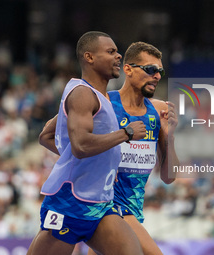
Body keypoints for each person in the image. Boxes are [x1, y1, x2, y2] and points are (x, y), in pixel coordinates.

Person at [40, 41, 179, 255]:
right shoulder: (102, 102)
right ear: (128, 69)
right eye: (151, 70)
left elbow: (170, 177)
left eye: (160, 71)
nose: (157, 76)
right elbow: (47, 135)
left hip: (130, 209)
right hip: (108, 203)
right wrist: (94, 160)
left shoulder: (159, 111)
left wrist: (169, 136)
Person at [27, 31, 145, 255]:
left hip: (100, 204)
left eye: (117, 51)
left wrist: (92, 161)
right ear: (89, 57)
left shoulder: (101, 97)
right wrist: (126, 133)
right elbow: (80, 146)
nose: (118, 56)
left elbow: (47, 135)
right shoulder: (82, 94)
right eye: (110, 52)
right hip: (70, 204)